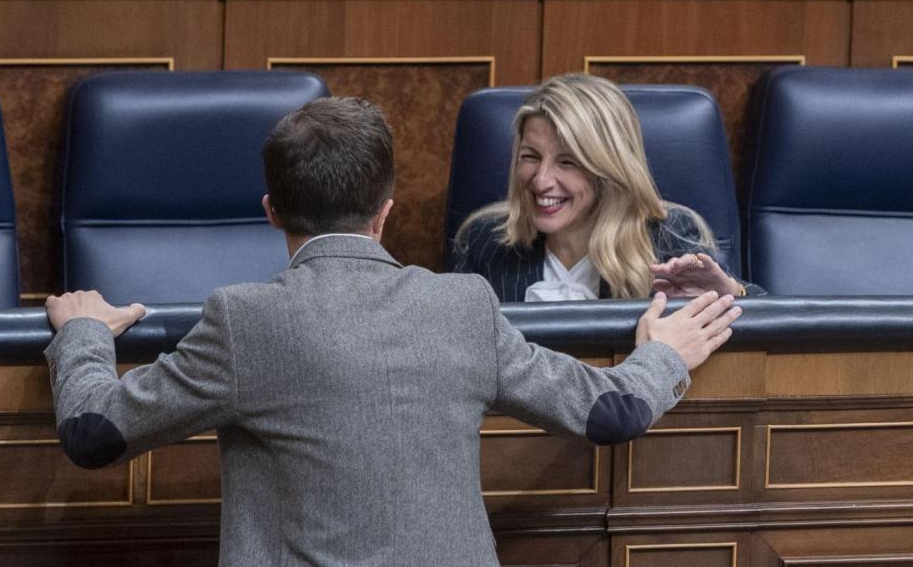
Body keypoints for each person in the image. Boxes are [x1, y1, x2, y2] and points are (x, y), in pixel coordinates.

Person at [44, 97, 741, 567]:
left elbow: (92, 432)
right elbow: (610, 412)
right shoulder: (463, 305)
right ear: (385, 212)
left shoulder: (242, 319)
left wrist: (82, 332)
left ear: (270, 212)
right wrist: (663, 354)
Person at [454, 73, 765, 303]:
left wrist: (729, 294)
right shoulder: (485, 242)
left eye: (568, 162)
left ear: (608, 169)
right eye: (530, 157)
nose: (541, 180)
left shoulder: (668, 237)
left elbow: (772, 321)